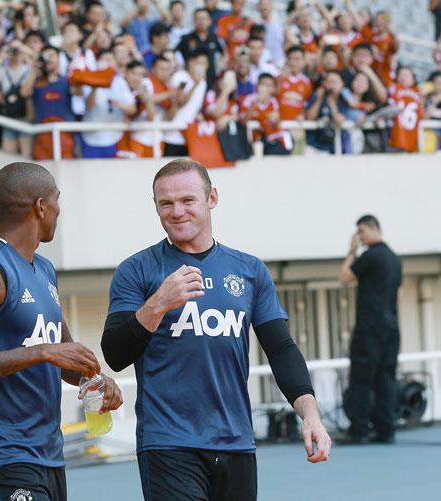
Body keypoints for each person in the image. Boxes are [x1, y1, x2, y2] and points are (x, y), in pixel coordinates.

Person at [101, 159, 330, 500]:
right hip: (168, 443)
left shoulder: (249, 270)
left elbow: (281, 349)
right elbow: (115, 354)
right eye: (166, 203)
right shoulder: (137, 270)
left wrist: (310, 415)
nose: (176, 211)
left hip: (236, 441)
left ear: (211, 198)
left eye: (187, 200)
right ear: (156, 207)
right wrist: (158, 303)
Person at [0, 162, 123, 500]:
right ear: (41, 206)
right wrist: (42, 352)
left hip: (48, 454)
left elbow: (66, 358)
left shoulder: (44, 270)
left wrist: (94, 381)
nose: (59, 209)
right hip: (3, 455)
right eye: (57, 200)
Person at [339, 214, 401, 444]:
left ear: (374, 229)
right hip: (391, 328)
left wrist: (352, 251)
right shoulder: (394, 259)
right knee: (386, 378)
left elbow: (344, 276)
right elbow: (398, 295)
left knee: (361, 379)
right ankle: (387, 429)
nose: (360, 237)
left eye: (361, 232)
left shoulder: (371, 256)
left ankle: (359, 430)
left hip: (370, 328)